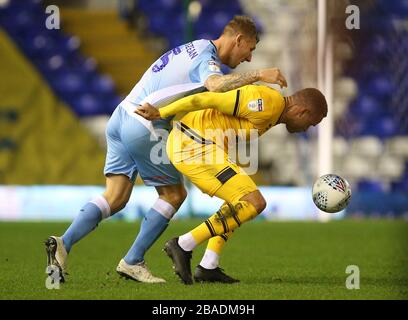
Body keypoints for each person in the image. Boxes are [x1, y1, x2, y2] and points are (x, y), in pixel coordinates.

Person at [45, 15, 288, 284]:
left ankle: (63, 244)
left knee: (115, 197)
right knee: (174, 195)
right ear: (239, 39)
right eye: (250, 49)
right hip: (145, 123)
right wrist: (259, 75)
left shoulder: (194, 46)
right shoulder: (207, 58)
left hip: (121, 116)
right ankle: (133, 261)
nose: (250, 58)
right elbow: (215, 85)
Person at [136, 84, 328, 284]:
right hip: (193, 143)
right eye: (311, 122)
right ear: (301, 111)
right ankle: (183, 244)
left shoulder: (273, 111)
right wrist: (161, 112)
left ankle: (208, 266)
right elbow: (205, 99)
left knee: (239, 199)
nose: (308, 128)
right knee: (255, 202)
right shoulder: (268, 103)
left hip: (199, 144)